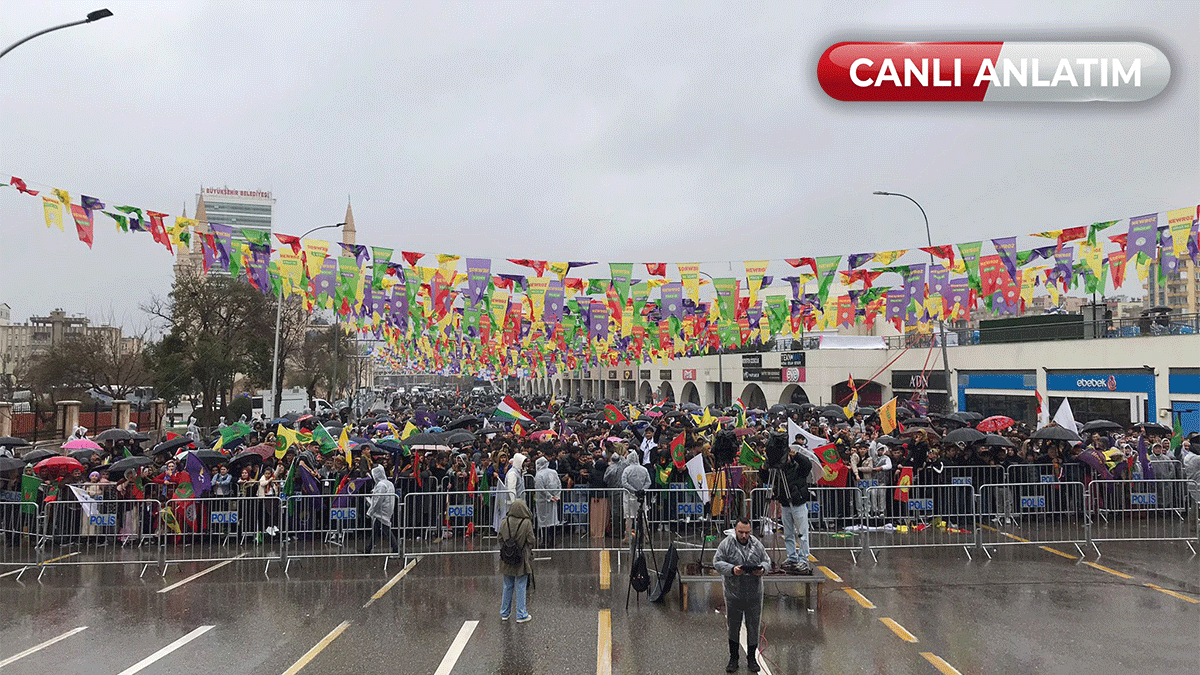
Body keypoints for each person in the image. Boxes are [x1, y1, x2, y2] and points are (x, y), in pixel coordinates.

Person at [713, 517, 771, 673]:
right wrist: (732, 570)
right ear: (735, 530)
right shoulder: (726, 544)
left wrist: (762, 570)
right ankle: (733, 659)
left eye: (747, 532)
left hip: (754, 594)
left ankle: (752, 658)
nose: (744, 536)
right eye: (741, 532)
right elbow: (717, 562)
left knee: (753, 626)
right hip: (734, 594)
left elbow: (767, 561)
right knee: (733, 626)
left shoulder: (757, 545)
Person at [773, 441, 814, 575]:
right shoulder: (778, 470)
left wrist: (795, 455)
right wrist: (764, 467)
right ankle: (791, 557)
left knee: (802, 533)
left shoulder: (798, 467)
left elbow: (807, 465)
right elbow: (766, 477)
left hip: (798, 504)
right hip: (785, 504)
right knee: (788, 534)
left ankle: (803, 559)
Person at [498, 498, 536, 623]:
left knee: (507, 585)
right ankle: (521, 614)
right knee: (520, 585)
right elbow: (531, 540)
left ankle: (504, 612)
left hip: (507, 558)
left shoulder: (504, 522)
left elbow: (499, 538)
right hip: (522, 558)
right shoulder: (526, 523)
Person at [363, 464, 399, 554]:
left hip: (382, 511)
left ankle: (396, 549)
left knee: (386, 530)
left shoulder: (381, 485)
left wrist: (370, 512)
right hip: (387, 509)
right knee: (376, 530)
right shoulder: (388, 483)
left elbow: (378, 500)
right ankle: (368, 549)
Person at [621, 449, 651, 544]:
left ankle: (627, 537)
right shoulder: (644, 469)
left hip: (629, 496)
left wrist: (633, 490)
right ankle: (647, 537)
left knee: (628, 517)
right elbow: (648, 482)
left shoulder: (627, 470)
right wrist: (641, 490)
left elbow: (624, 482)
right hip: (641, 497)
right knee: (644, 517)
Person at [533, 455, 561, 546]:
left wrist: (549, 497)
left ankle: (545, 541)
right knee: (552, 521)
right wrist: (556, 496)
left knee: (544, 522)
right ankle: (552, 541)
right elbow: (559, 484)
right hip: (553, 500)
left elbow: (540, 488)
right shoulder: (553, 472)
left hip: (542, 501)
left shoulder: (539, 475)